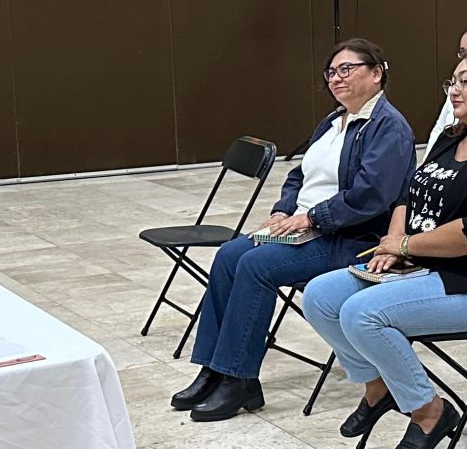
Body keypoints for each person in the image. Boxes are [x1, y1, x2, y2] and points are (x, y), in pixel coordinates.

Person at [303, 44, 467, 449]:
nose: (454, 90)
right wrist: (395, 239)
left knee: (362, 314)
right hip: (423, 265)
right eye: (453, 81)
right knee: (320, 297)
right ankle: (377, 386)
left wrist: (404, 247)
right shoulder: (452, 138)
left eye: (466, 81)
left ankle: (429, 410)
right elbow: (406, 194)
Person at [174, 37, 414, 423]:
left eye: (347, 69)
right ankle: (214, 369)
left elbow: (370, 195)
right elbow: (299, 174)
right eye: (331, 72)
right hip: (307, 225)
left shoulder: (389, 128)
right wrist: (283, 209)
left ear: (377, 74)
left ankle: (239, 377)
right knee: (229, 255)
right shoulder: (333, 121)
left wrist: (313, 217)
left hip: (350, 237)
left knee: (256, 265)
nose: (336, 78)